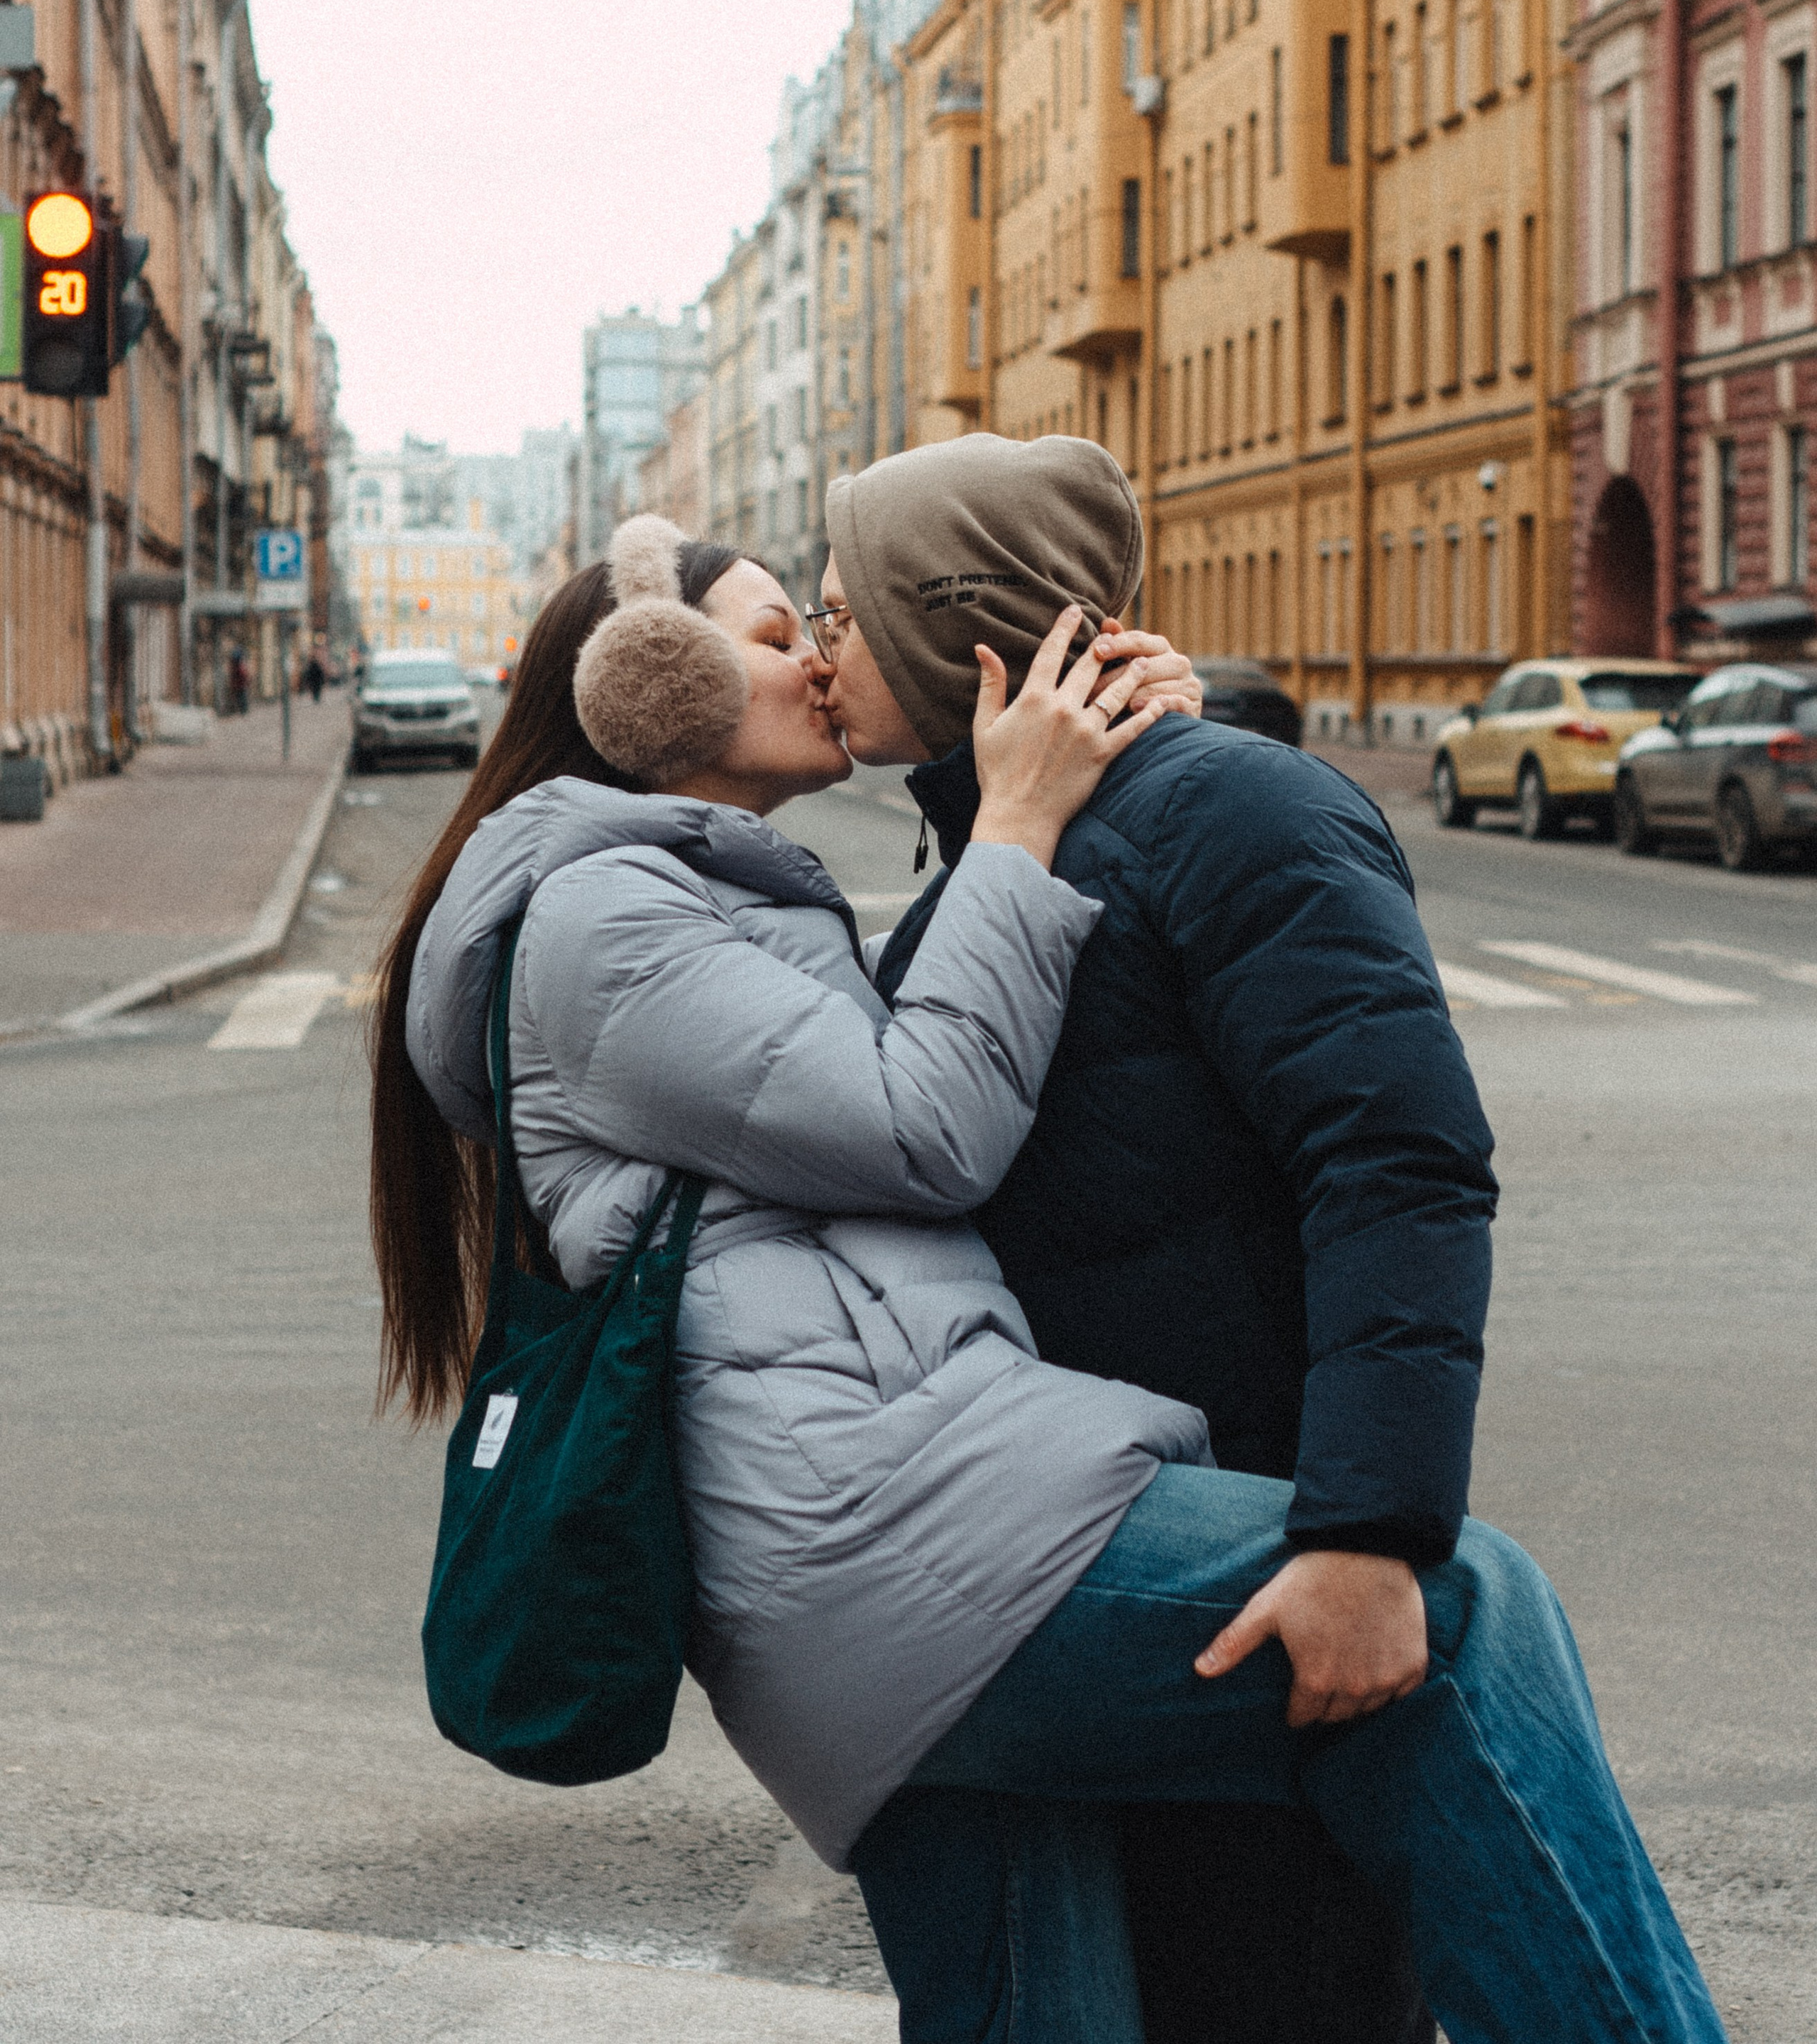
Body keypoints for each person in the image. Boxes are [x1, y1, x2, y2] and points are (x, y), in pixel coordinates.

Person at [371, 515, 1725, 2044]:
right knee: (1465, 1621)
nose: (817, 662)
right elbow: (924, 1121)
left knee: (1047, 2018)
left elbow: (971, 1035)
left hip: (870, 1551)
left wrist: (1123, 760)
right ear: (642, 689)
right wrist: (1018, 817)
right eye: (774, 635)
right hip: (883, 1544)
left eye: (825, 626)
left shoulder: (699, 892)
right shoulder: (605, 917)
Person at [816, 433, 1489, 2038]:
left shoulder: (1233, 811)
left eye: (847, 612)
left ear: (949, 626)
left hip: (1250, 1563)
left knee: (1273, 1992)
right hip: (1081, 1567)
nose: (821, 647)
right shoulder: (1004, 848)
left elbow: (1396, 1166)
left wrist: (1366, 1535)